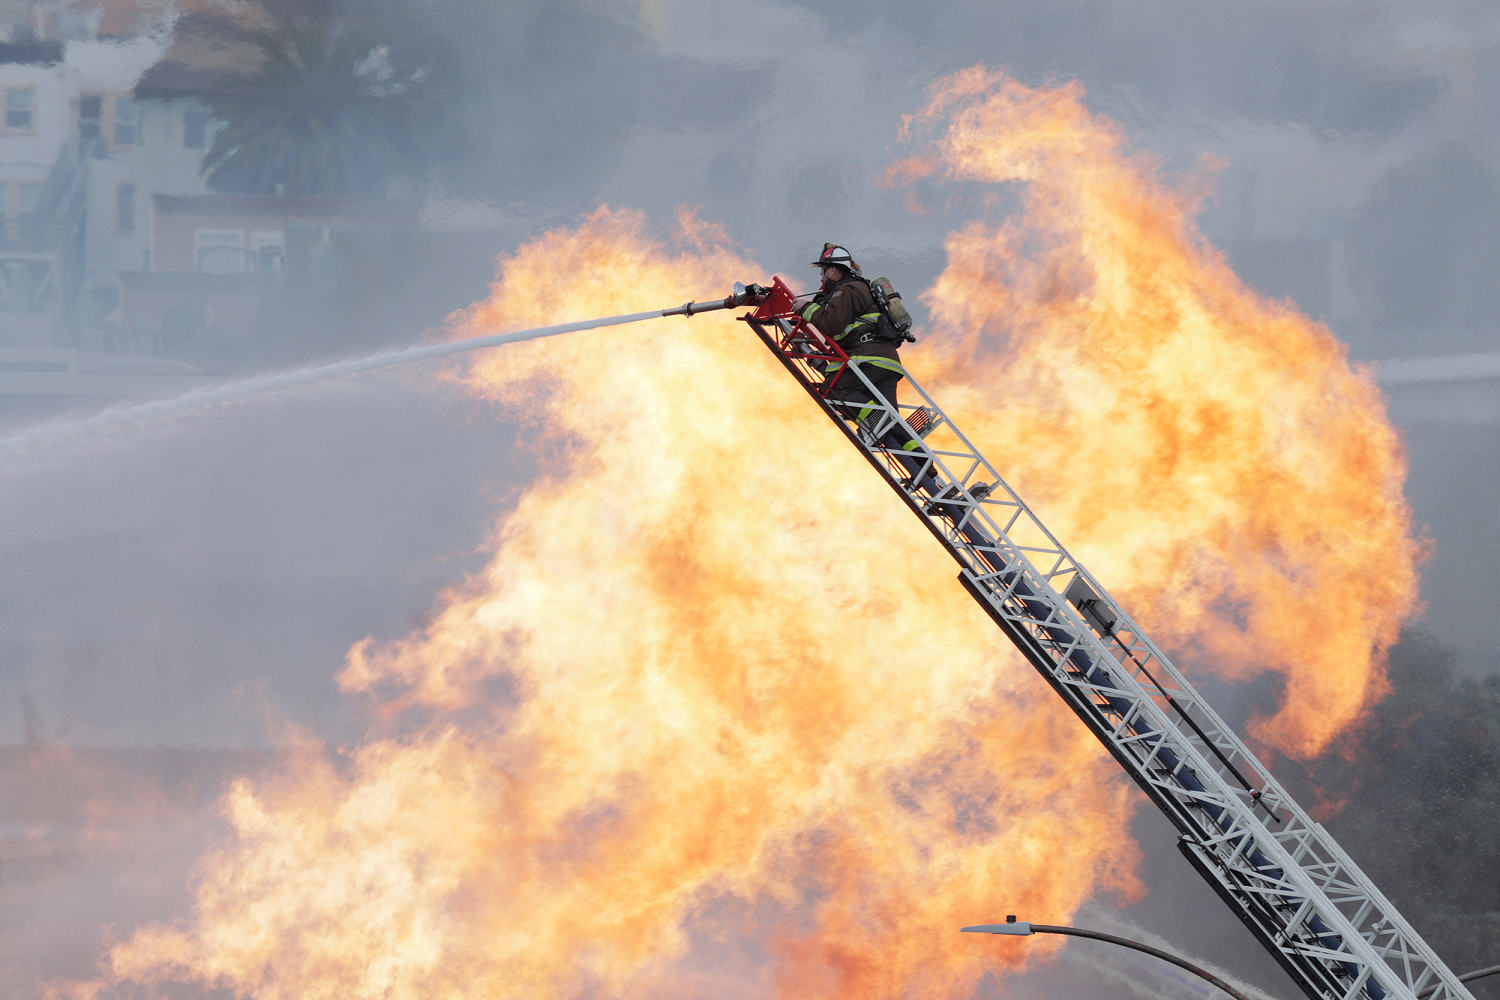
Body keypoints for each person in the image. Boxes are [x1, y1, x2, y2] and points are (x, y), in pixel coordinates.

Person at [797, 243, 906, 421]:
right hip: (887, 363)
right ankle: (910, 447)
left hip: (869, 360)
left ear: (833, 270)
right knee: (892, 425)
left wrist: (806, 308)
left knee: (832, 389)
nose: (821, 276)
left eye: (822, 270)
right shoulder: (860, 288)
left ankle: (874, 420)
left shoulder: (847, 289)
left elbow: (832, 324)